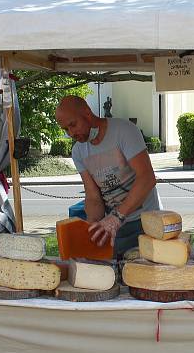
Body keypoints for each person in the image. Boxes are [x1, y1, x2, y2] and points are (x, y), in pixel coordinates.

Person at [55, 96, 159, 256]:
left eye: (73, 125)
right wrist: (93, 226)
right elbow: (93, 196)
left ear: (87, 113)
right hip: (115, 228)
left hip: (146, 222)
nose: (71, 133)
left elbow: (147, 178)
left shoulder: (124, 130)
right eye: (65, 130)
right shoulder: (78, 152)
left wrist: (116, 217)